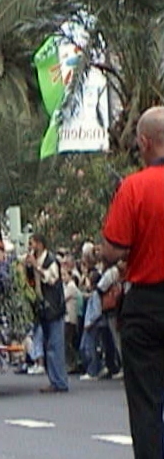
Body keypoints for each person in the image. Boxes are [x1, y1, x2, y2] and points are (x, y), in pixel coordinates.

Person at [101, 106, 164, 459]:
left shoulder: (134, 187)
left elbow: (112, 249)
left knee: (146, 404)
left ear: (144, 142)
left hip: (146, 303)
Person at [25, 234, 69, 393]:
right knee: (48, 345)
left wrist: (36, 267)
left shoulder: (51, 261)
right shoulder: (36, 261)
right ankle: (54, 380)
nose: (31, 247)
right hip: (43, 308)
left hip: (54, 308)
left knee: (56, 345)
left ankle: (60, 381)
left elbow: (51, 279)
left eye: (32, 243)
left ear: (40, 244)